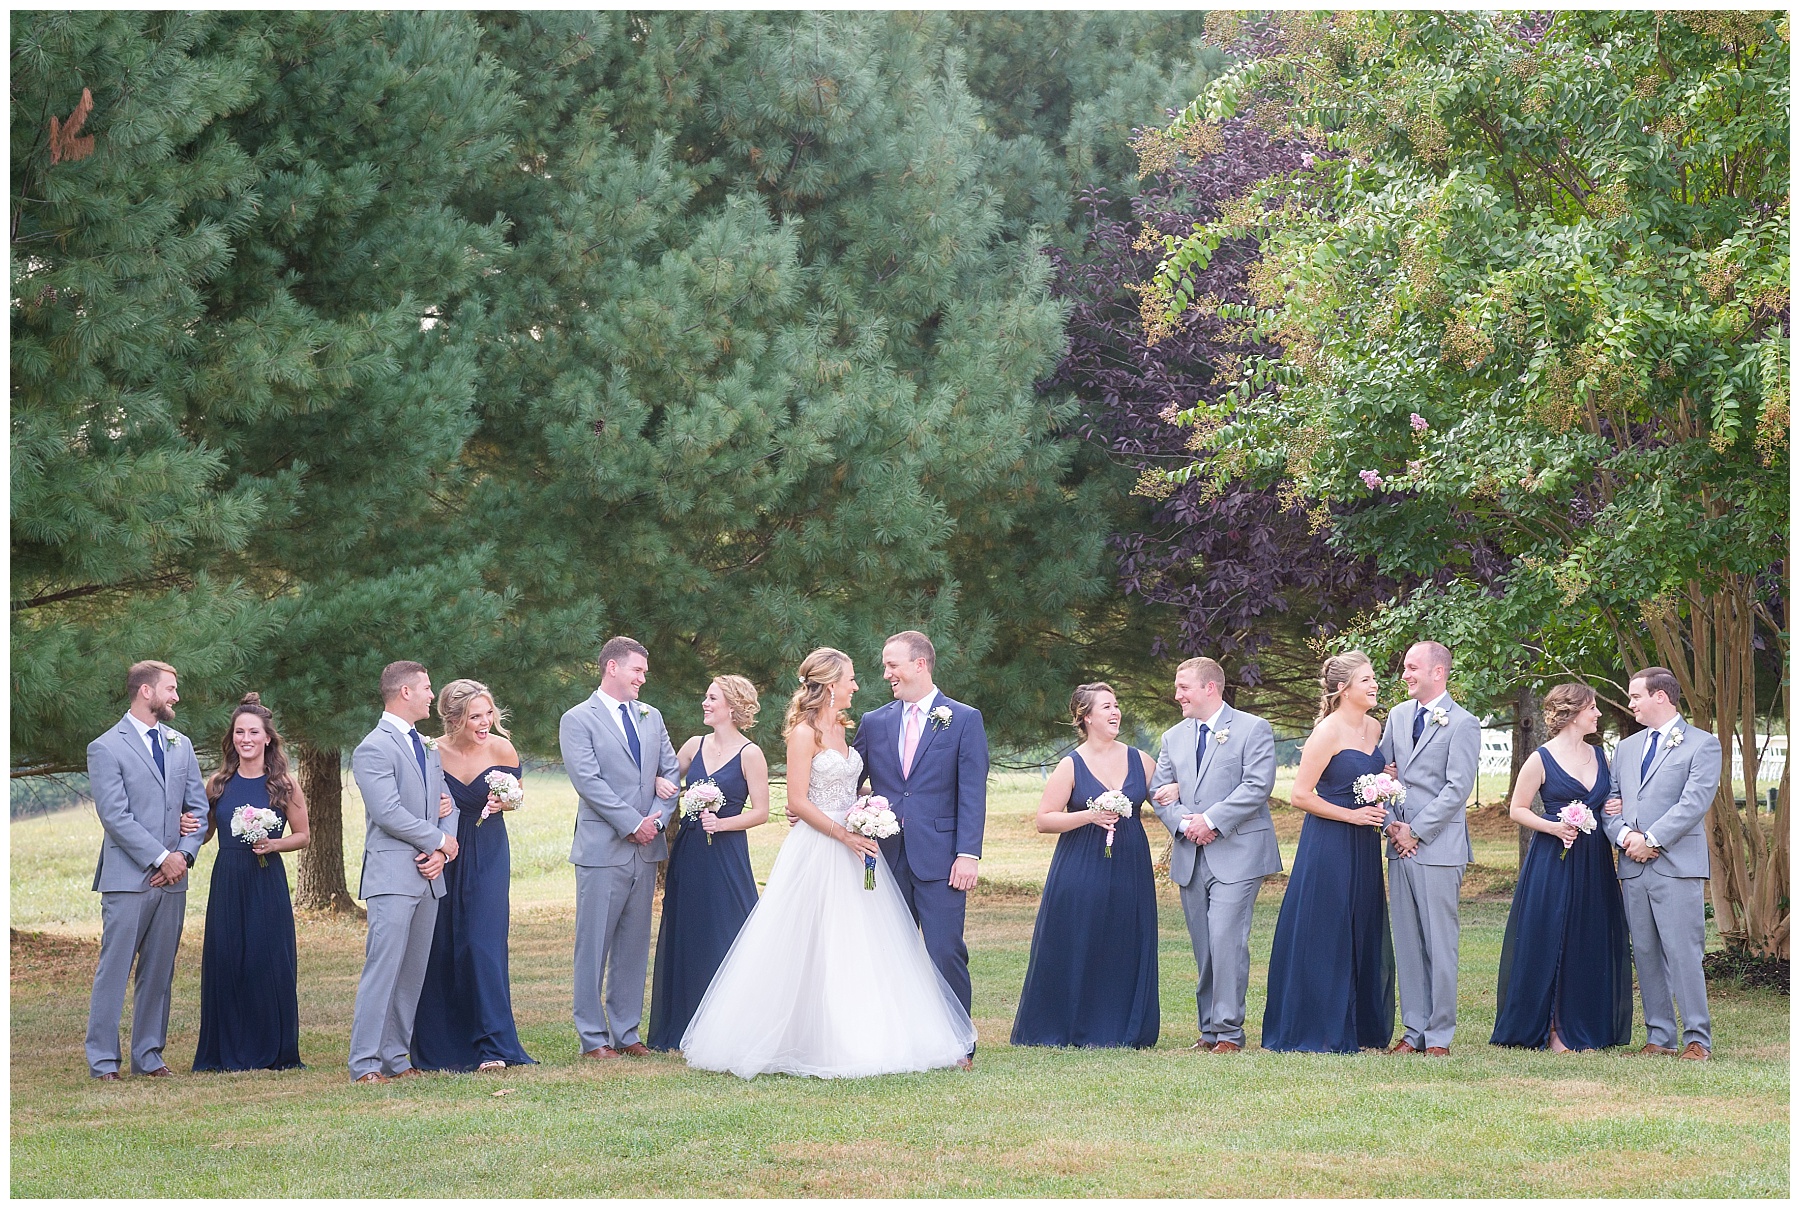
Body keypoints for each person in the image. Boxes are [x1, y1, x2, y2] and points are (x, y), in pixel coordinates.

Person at [680, 648, 976, 1078]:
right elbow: (798, 799)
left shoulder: (844, 727)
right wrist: (843, 833)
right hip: (821, 847)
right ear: (831, 683)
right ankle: (802, 1038)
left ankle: (872, 1034)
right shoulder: (804, 734)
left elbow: (851, 784)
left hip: (855, 844)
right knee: (810, 941)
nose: (858, 685)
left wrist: (864, 810)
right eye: (851, 678)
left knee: (862, 943)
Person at [850, 630, 987, 1045]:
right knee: (889, 952)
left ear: (920, 664)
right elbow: (850, 780)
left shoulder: (963, 718)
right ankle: (898, 1041)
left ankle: (959, 1041)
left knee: (945, 950)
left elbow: (972, 793)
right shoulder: (874, 722)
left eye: (893, 664)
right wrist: (814, 809)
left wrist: (968, 854)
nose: (886, 672)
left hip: (942, 857)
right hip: (885, 858)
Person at [1011, 683, 1159, 1049]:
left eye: (1117, 705)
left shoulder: (1141, 760)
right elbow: (1044, 820)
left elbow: (1166, 800)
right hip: (1081, 863)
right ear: (1086, 716)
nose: (1115, 712)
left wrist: (1175, 793)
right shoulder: (1070, 764)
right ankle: (1070, 1024)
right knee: (1080, 936)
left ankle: (1124, 1027)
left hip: (1131, 861)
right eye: (1107, 706)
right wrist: (1089, 816)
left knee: (1127, 936)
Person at [1262, 651, 1396, 1052]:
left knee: (1361, 921)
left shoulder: (1374, 727)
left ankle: (1360, 1025)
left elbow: (1369, 774)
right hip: (1330, 842)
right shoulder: (1326, 732)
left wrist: (1385, 779)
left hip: (1365, 842)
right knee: (1328, 926)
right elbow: (1299, 795)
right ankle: (1317, 1026)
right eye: (1366, 680)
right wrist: (1351, 817)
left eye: (1374, 679)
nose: (1375, 686)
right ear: (1343, 689)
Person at [84, 660, 209, 1080]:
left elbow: (199, 810)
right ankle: (103, 1062)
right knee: (114, 971)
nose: (176, 697)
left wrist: (184, 857)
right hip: (127, 879)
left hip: (175, 880)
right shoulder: (106, 747)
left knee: (159, 971)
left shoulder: (181, 744)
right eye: (170, 689)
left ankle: (149, 1056)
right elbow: (115, 817)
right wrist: (162, 857)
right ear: (146, 692)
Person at [1149, 657, 1280, 1054]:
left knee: (1226, 938)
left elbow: (1257, 786)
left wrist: (1210, 819)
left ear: (1210, 688)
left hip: (1238, 852)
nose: (1177, 695)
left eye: (1184, 687)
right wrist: (1185, 824)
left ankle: (1228, 1032)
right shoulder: (1173, 737)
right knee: (1204, 944)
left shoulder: (1253, 729)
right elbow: (1159, 790)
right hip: (1192, 853)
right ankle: (1208, 1028)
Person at [1491, 683, 1632, 1051]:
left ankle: (1584, 1025)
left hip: (1594, 860)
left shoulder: (1602, 757)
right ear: (1571, 713)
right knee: (1552, 934)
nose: (1598, 714)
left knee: (1589, 934)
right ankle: (1552, 1029)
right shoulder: (1540, 758)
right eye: (1592, 708)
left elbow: (1609, 801)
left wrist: (1612, 808)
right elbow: (1517, 809)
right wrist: (1554, 826)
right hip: (1553, 858)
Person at [560, 636, 680, 1060]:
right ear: (612, 667)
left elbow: (670, 774)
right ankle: (593, 1037)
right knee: (593, 945)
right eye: (637, 671)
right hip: (602, 850)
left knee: (633, 944)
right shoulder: (578, 719)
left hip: (645, 851)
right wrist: (633, 823)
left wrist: (658, 820)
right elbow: (588, 781)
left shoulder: (651, 717)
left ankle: (627, 1032)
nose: (643, 679)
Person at [412, 679, 536, 1073]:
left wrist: (506, 802)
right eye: (474, 716)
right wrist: (436, 805)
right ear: (453, 719)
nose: (485, 722)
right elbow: (413, 799)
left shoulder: (501, 747)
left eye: (488, 713)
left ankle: (493, 1044)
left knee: (482, 942)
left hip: (487, 850)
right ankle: (442, 1044)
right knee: (442, 942)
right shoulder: (432, 751)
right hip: (445, 849)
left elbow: (517, 795)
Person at [1601, 666, 1722, 1060]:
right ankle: (1659, 1037)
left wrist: (1651, 839)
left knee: (1683, 951)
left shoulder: (1702, 745)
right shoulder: (1626, 748)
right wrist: (1623, 836)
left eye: (1636, 696)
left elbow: (1693, 803)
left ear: (1661, 696)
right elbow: (1611, 803)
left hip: (1675, 865)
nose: (1630, 703)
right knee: (1647, 951)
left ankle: (1697, 1039)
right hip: (1633, 866)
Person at [347, 661, 459, 1083]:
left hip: (430, 875)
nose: (433, 695)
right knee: (383, 969)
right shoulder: (373, 748)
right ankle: (365, 1064)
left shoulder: (427, 748)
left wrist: (443, 851)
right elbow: (388, 812)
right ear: (405, 693)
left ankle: (397, 1059)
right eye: (428, 688)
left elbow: (448, 803)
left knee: (412, 972)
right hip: (393, 875)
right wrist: (437, 839)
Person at [647, 675, 769, 1051]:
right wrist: (656, 782)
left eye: (711, 697)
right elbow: (667, 778)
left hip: (727, 854)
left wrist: (725, 822)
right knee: (689, 928)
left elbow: (762, 812)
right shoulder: (694, 745)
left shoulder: (751, 753)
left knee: (728, 929)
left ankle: (733, 1025)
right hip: (690, 850)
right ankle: (681, 1025)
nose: (704, 702)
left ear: (731, 706)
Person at [192, 694, 309, 1071]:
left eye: (253, 732)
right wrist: (189, 826)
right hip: (228, 878)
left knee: (267, 960)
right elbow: (208, 833)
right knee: (227, 959)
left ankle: (273, 1048)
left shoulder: (283, 784)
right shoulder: (218, 783)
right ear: (233, 738)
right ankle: (225, 1050)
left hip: (265, 878)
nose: (246, 738)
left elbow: (303, 835)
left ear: (267, 738)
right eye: (239, 732)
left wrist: (274, 843)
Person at [1378, 641, 1480, 1056]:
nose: (1405, 674)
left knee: (1440, 942)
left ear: (1438, 672)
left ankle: (1439, 1036)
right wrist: (1391, 826)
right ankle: (1413, 1031)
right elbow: (1379, 773)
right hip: (1398, 844)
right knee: (1407, 940)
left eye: (1412, 667)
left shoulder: (1464, 723)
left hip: (1438, 846)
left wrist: (1415, 831)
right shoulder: (1398, 715)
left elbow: (1458, 788)